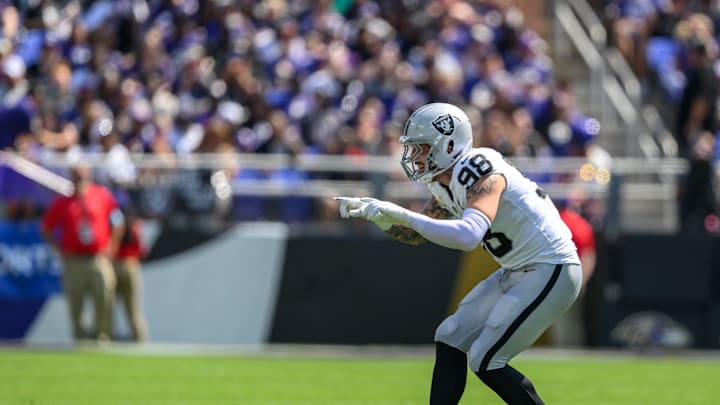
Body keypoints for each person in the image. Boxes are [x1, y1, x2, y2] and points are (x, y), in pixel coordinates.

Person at [336, 102, 582, 404]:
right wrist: (381, 217)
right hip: (518, 270)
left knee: (485, 358)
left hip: (552, 267)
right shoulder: (444, 183)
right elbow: (416, 235)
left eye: (421, 148)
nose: (413, 157)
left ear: (448, 146)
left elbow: (468, 236)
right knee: (450, 335)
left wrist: (403, 213)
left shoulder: (479, 169)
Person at [41, 163, 124, 341]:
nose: (79, 180)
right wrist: (58, 249)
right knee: (76, 305)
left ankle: (103, 337)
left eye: (82, 175)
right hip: (74, 261)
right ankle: (80, 340)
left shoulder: (102, 195)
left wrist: (112, 245)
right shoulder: (62, 201)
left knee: (104, 299)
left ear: (89, 176)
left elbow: (117, 221)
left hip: (98, 258)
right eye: (76, 176)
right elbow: (46, 228)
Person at [113, 205, 149, 342]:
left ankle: (107, 338)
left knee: (109, 307)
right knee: (133, 310)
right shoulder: (136, 225)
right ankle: (140, 340)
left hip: (116, 265)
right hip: (131, 266)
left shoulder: (116, 225)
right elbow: (142, 250)